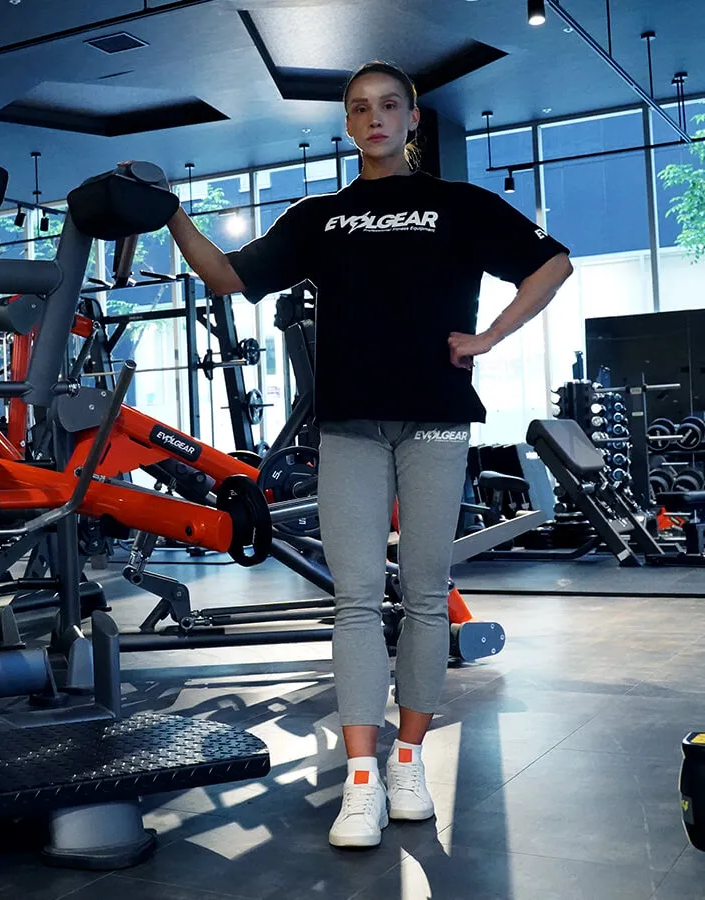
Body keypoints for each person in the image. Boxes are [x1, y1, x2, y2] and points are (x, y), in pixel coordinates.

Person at [165, 61, 573, 848]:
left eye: (389, 105)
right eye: (360, 108)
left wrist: (490, 336)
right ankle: (361, 780)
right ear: (348, 125)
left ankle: (407, 762)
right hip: (349, 425)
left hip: (435, 420)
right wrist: (172, 212)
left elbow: (552, 264)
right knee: (355, 598)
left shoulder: (459, 205)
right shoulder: (320, 217)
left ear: (413, 118)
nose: (375, 117)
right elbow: (224, 276)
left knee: (424, 594)